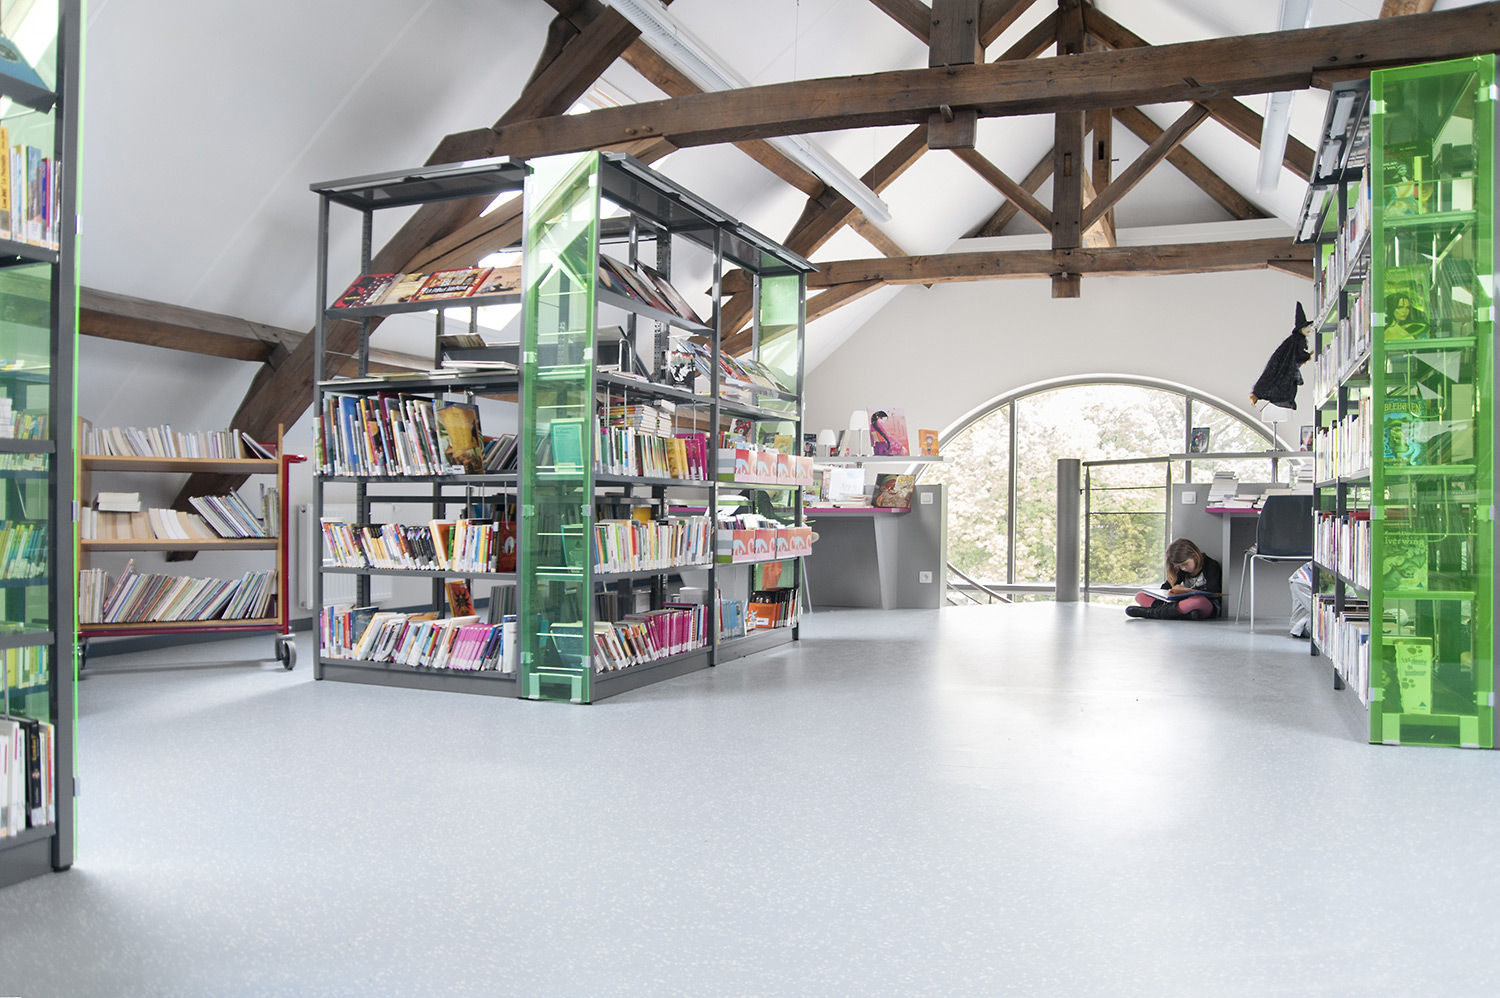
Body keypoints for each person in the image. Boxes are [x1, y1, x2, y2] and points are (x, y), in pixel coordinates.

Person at [1126, 538, 1222, 620]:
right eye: (1179, 566)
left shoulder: (1211, 566)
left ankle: (1152, 613)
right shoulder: (1181, 570)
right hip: (1178, 604)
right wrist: (1171, 591)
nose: (1183, 568)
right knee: (1140, 595)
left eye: (1185, 564)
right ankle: (1182, 615)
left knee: (1198, 601)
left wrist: (1186, 591)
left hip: (1204, 605)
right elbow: (1165, 588)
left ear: (1194, 555)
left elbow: (1213, 592)